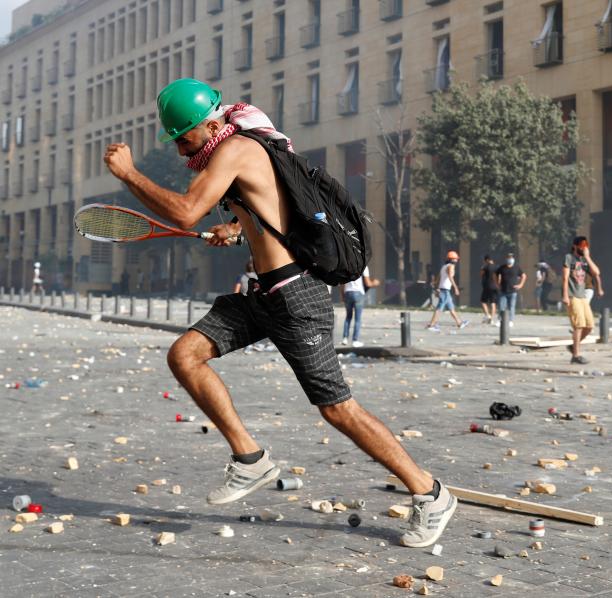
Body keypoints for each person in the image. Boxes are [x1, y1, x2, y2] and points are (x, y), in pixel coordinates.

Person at [103, 78, 456, 548]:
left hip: (297, 296)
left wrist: (129, 174)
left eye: (184, 138)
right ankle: (250, 459)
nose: (181, 150)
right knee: (185, 354)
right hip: (264, 295)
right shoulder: (239, 147)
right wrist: (236, 227)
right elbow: (274, 203)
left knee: (338, 408)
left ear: (211, 126)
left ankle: (430, 493)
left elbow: (186, 212)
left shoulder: (236, 149)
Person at [563, 236, 601, 364]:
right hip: (572, 295)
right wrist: (565, 295)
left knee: (589, 326)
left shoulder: (584, 260)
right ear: (575, 246)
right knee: (578, 325)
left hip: (582, 296)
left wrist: (588, 257)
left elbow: (596, 272)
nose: (583, 248)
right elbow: (565, 278)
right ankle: (576, 355)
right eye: (581, 245)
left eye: (585, 245)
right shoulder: (569, 258)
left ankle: (573, 347)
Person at [427, 250, 469, 331]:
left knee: (451, 308)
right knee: (439, 308)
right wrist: (455, 287)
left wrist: (435, 284)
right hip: (445, 290)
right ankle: (431, 325)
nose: (457, 260)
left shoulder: (444, 266)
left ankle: (459, 323)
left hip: (444, 289)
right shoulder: (451, 266)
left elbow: (439, 277)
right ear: (452, 259)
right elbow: (450, 277)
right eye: (455, 259)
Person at [341, 266, 380, 347]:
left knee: (348, 317)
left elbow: (342, 283)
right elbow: (368, 283)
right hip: (358, 293)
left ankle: (345, 338)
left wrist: (342, 295)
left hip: (348, 292)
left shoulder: (346, 265)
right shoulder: (363, 266)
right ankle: (355, 340)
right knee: (357, 319)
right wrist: (375, 283)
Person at [495, 253, 526, 327]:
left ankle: (511, 321)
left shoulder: (516, 267)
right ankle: (500, 320)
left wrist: (521, 285)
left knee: (511, 307)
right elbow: (495, 274)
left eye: (511, 258)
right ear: (506, 258)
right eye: (509, 257)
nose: (510, 259)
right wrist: (497, 284)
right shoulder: (502, 267)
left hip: (513, 291)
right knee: (501, 307)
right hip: (503, 290)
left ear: (513, 259)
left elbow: (524, 275)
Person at [479, 254, 499, 324]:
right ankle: (492, 319)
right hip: (495, 287)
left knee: (483, 301)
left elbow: (481, 274)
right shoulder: (497, 267)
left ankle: (488, 315)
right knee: (493, 302)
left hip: (487, 286)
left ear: (487, 260)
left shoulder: (485, 266)